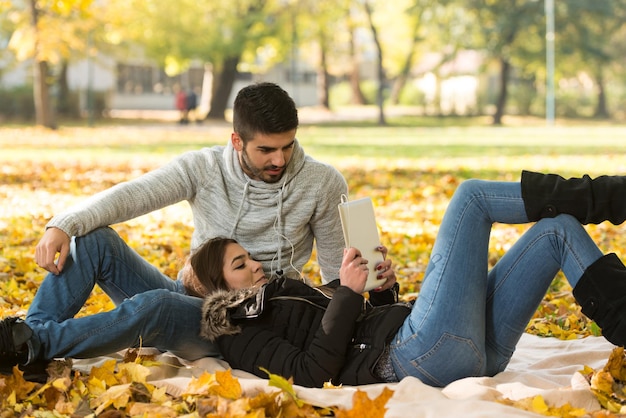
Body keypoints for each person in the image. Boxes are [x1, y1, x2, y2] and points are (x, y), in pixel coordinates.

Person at [0, 82, 349, 380]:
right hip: (187, 295)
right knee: (93, 240)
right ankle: (28, 347)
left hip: (246, 322)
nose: (280, 160)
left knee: (159, 305)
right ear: (237, 141)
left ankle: (26, 342)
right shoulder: (204, 168)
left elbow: (339, 277)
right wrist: (64, 223)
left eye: (288, 146)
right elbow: (133, 195)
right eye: (266, 150)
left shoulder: (321, 183)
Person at [194, 173, 626, 388]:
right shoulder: (237, 329)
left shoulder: (282, 291)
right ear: (220, 288)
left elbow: (357, 334)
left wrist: (379, 292)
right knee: (471, 198)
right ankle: (613, 194)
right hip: (420, 355)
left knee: (557, 229)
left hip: (473, 353)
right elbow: (311, 372)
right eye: (239, 265)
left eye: (248, 256)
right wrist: (345, 291)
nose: (255, 265)